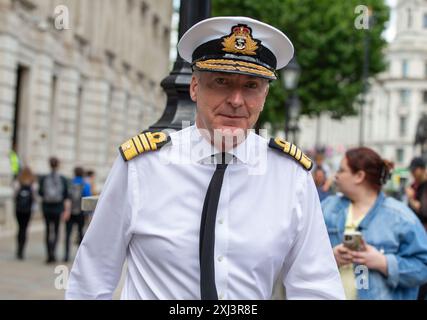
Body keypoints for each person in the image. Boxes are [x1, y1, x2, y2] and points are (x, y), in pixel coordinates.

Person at [66, 16, 344, 300]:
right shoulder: (142, 166)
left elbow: (316, 286)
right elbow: (92, 277)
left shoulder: (290, 176)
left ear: (265, 95)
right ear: (195, 87)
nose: (236, 100)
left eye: (251, 86)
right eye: (221, 82)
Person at [322, 147, 427, 300]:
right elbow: (302, 257)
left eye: (341, 170)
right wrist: (330, 258)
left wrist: (384, 263)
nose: (335, 176)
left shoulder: (401, 217)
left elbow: (423, 267)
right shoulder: (327, 208)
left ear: (359, 176)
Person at [39, 157, 70, 263]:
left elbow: (40, 193)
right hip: (58, 207)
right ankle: (54, 252)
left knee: (48, 231)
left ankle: (49, 254)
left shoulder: (44, 178)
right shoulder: (62, 179)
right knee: (56, 231)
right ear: (58, 165)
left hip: (47, 207)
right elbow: (66, 195)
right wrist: (66, 210)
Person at [63, 167, 92, 262]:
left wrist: (66, 211)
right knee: (80, 233)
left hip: (70, 212)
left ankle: (66, 255)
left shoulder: (69, 183)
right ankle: (79, 257)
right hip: (81, 213)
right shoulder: (85, 185)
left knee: (68, 234)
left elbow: (66, 197)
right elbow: (88, 199)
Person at [14, 166, 36, 260]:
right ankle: (22, 250)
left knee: (20, 228)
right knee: (25, 229)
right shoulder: (32, 182)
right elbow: (34, 197)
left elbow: (14, 195)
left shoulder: (18, 181)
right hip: (28, 210)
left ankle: (19, 248)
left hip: (19, 210)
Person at [406, 157, 427, 230]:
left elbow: (424, 211)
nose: (412, 173)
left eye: (414, 170)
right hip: (416, 228)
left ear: (422, 169)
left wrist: (411, 199)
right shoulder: (413, 186)